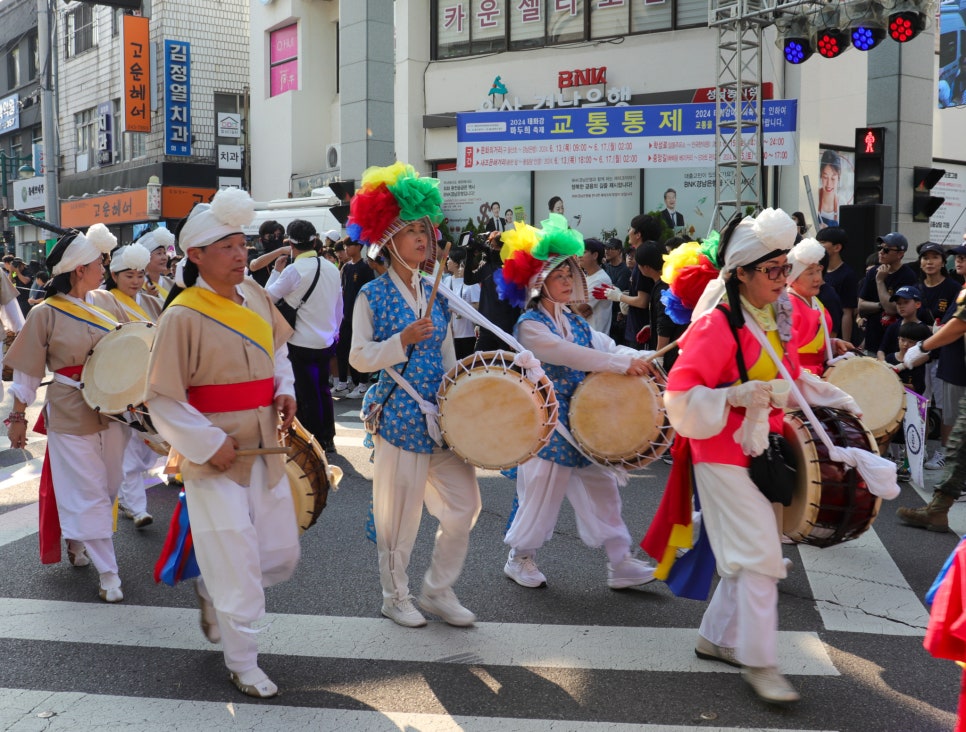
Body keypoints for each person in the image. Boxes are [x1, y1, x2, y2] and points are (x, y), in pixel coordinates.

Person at [655, 208, 861, 705]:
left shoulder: (777, 317)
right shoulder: (716, 327)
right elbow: (679, 396)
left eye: (785, 268)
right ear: (740, 273)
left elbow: (788, 382)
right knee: (762, 555)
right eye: (772, 270)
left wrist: (834, 397)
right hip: (719, 450)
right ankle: (761, 661)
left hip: (763, 447)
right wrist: (733, 395)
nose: (782, 279)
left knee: (753, 550)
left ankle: (716, 637)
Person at [146, 187, 300, 698]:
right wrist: (208, 443)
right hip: (215, 454)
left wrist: (284, 388)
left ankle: (210, 586)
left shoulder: (256, 294)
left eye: (242, 245)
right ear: (196, 256)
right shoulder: (181, 315)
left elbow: (279, 350)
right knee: (236, 552)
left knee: (277, 551)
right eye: (229, 247)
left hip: (264, 441)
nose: (242, 255)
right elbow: (163, 398)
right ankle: (243, 661)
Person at [348, 162, 481, 629]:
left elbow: (449, 361)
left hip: (439, 417)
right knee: (398, 517)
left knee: (466, 503)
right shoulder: (371, 294)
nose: (423, 239)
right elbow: (358, 358)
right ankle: (395, 595)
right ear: (388, 241)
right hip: (399, 414)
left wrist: (466, 398)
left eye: (426, 229)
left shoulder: (437, 293)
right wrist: (400, 340)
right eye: (412, 232)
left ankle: (438, 589)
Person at [498, 213, 658, 591]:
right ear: (540, 283)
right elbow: (573, 356)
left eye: (570, 273)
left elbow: (604, 346)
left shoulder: (575, 320)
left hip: (585, 420)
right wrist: (623, 362)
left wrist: (646, 358)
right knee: (541, 494)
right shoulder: (530, 327)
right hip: (548, 421)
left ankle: (620, 562)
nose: (568, 280)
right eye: (560, 275)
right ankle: (519, 558)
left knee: (604, 490)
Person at [5, 223, 127, 602]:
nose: (103, 268)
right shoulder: (45, 314)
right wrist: (17, 417)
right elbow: (27, 372)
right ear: (79, 269)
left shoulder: (105, 303)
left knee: (107, 488)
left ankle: (77, 539)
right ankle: (110, 573)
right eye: (97, 262)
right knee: (88, 490)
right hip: (70, 408)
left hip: (113, 410)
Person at [265, 219, 343, 452]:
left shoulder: (293, 270)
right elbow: (339, 306)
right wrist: (335, 332)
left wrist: (275, 272)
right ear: (314, 241)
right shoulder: (331, 267)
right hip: (327, 339)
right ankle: (327, 437)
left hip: (300, 341)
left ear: (290, 243)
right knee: (322, 389)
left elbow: (268, 298)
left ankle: (312, 440)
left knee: (306, 393)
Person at [100, 243, 163, 528]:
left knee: (150, 446)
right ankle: (137, 506)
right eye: (129, 276)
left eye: (139, 275)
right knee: (131, 447)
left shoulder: (149, 301)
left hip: (151, 382)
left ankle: (129, 498)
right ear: (114, 275)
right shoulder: (104, 301)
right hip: (123, 382)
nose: (136, 281)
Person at [857, 232, 918, 354]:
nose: (881, 252)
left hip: (895, 343)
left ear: (900, 254)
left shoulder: (907, 275)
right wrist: (881, 305)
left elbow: (892, 309)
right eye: (880, 247)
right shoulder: (873, 271)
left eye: (886, 249)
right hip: (872, 339)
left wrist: (880, 281)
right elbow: (861, 305)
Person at [464, 230, 521, 352]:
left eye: (495, 247)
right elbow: (468, 280)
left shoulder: (513, 270)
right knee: (479, 366)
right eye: (491, 246)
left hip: (505, 330)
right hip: (486, 327)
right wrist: (469, 255)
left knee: (507, 367)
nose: (492, 250)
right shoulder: (487, 267)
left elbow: (516, 306)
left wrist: (515, 332)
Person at [334, 236, 375, 399]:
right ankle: (343, 383)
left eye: (348, 246)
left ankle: (362, 384)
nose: (346, 249)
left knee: (360, 349)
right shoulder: (346, 267)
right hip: (345, 314)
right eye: (344, 246)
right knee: (342, 349)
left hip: (360, 315)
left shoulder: (365, 267)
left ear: (358, 247)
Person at [816, 227, 857, 343]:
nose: (818, 246)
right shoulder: (817, 270)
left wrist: (845, 342)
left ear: (837, 247)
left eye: (822, 243)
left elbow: (847, 313)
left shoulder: (847, 275)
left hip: (835, 337)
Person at [443, 248, 480, 359]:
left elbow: (478, 306)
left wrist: (458, 308)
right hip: (452, 332)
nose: (447, 261)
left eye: (449, 259)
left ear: (456, 263)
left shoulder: (472, 284)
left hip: (468, 333)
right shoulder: (447, 280)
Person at [877, 285, 929, 363]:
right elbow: (881, 350)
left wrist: (904, 366)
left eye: (906, 302)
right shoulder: (893, 327)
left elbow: (929, 355)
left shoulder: (924, 329)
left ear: (917, 304)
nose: (901, 306)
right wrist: (884, 362)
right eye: (898, 303)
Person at [574, 237, 612, 334]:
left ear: (595, 255)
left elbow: (579, 307)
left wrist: (573, 306)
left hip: (596, 337)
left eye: (584, 252)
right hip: (586, 334)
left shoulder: (601, 280)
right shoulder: (588, 277)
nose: (579, 255)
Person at [602, 237, 630, 344]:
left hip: (617, 317)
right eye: (606, 248)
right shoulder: (604, 268)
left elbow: (617, 291)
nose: (607, 251)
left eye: (610, 248)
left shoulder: (625, 270)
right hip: (605, 313)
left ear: (619, 251)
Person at [137, 227, 177, 301]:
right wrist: (149, 299)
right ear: (146, 257)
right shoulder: (136, 286)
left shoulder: (172, 284)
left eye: (164, 253)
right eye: (159, 253)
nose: (164, 258)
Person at [818, 150, 842, 228]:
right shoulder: (814, 198)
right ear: (821, 176)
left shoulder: (842, 203)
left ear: (838, 177)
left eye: (833, 179)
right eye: (825, 177)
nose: (829, 184)